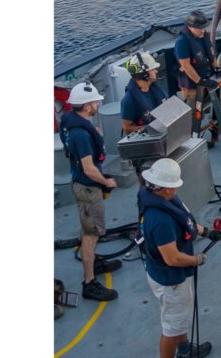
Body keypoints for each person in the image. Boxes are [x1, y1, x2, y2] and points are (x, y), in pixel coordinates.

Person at [139, 158, 216, 358]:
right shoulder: (160, 219)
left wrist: (207, 232)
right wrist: (197, 260)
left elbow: (186, 224)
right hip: (170, 279)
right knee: (171, 327)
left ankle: (184, 351)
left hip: (165, 274)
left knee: (179, 318)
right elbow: (172, 258)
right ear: (168, 187)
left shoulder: (155, 197)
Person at [60, 81, 120, 302]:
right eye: (95, 102)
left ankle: (95, 263)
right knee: (90, 235)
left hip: (84, 185)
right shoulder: (82, 136)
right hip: (88, 189)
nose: (97, 105)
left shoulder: (74, 126)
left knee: (91, 231)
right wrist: (106, 181)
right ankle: (89, 282)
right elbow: (88, 168)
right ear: (87, 107)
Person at [173, 11, 220, 136]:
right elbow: (186, 65)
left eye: (204, 27)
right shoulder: (182, 42)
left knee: (201, 107)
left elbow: (210, 52)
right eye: (199, 28)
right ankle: (190, 137)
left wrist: (217, 68)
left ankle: (199, 132)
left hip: (202, 75)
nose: (203, 31)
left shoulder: (202, 36)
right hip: (190, 80)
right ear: (190, 27)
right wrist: (200, 81)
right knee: (192, 109)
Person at [119, 51, 168, 135]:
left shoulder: (154, 88)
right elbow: (126, 127)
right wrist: (148, 129)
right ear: (144, 74)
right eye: (153, 69)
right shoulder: (128, 101)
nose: (156, 71)